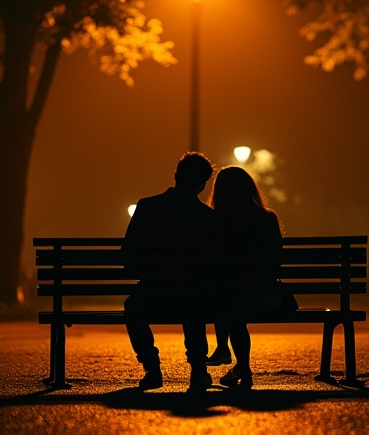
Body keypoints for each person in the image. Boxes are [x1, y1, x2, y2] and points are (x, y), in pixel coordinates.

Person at [122, 152, 215, 392]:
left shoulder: (147, 207)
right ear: (203, 184)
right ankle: (198, 370)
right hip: (193, 294)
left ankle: (152, 368)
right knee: (195, 300)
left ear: (176, 176)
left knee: (132, 307)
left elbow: (128, 256)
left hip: (153, 293)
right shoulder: (208, 217)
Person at [207, 166, 297, 388]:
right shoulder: (268, 218)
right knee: (233, 299)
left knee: (226, 297)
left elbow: (214, 265)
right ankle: (240, 365)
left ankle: (225, 349)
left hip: (230, 300)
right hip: (271, 299)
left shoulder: (217, 221)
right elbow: (276, 262)